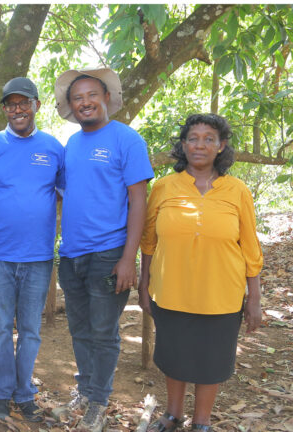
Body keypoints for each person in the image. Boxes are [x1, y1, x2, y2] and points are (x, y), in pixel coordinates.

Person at [139, 114, 263, 432]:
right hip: (171, 290)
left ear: (221, 146)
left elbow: (250, 249)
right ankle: (173, 415)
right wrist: (144, 283)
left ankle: (202, 422)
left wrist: (255, 299)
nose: (201, 144)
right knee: (175, 355)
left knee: (212, 362)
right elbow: (149, 240)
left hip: (222, 294)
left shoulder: (237, 191)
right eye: (194, 137)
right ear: (183, 145)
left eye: (210, 138)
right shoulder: (165, 186)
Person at [53, 67, 154, 432]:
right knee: (79, 329)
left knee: (103, 330)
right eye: (77, 98)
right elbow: (66, 193)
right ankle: (85, 389)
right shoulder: (71, 144)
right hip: (71, 254)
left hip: (109, 253)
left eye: (91, 95)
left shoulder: (127, 140)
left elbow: (139, 201)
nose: (85, 102)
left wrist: (129, 258)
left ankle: (98, 400)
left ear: (107, 97)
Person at [0, 77, 64, 422]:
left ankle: (25, 394)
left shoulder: (54, 148)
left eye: (24, 102)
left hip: (38, 257)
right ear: (5, 110)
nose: (17, 109)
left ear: (37, 106)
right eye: (11, 104)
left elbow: (66, 195)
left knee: (30, 331)